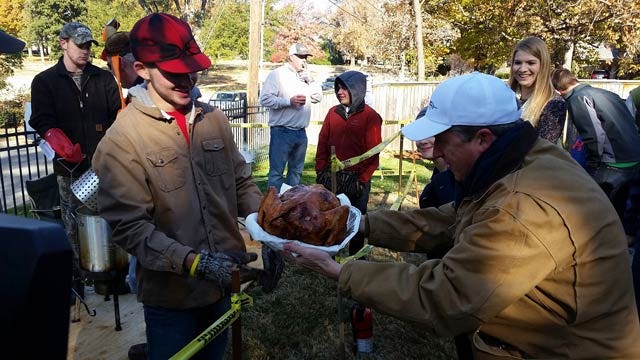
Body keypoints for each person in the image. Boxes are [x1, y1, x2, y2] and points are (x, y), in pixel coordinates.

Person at [284, 72, 640, 358]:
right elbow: (450, 219)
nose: (434, 152)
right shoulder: (520, 160)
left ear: (483, 139)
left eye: (442, 140)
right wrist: (358, 224)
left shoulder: (523, 207)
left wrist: (340, 271)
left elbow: (445, 297)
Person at [92, 13, 282, 360]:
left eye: (190, 69)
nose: (185, 79)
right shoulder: (122, 140)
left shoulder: (215, 120)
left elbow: (241, 182)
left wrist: (267, 230)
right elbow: (130, 227)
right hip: (172, 301)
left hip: (225, 285)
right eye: (172, 72)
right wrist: (195, 263)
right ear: (142, 70)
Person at [28, 22, 121, 301]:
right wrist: (55, 138)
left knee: (111, 220)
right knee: (72, 226)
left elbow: (118, 113)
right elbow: (41, 118)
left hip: (104, 165)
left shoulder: (102, 78)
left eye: (89, 45)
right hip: (69, 168)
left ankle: (110, 280)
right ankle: (74, 285)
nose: (85, 50)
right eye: (80, 44)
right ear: (63, 43)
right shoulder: (45, 81)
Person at [551, 68, 640, 220]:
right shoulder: (608, 94)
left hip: (613, 164)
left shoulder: (577, 98)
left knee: (593, 211)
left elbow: (594, 135)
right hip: (633, 159)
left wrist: (593, 167)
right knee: (618, 210)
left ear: (558, 91)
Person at [315, 70, 382, 254]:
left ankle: (356, 260)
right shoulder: (332, 113)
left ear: (357, 89)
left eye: (344, 88)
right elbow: (322, 142)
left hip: (357, 180)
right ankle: (329, 256)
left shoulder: (371, 117)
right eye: (338, 88)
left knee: (356, 221)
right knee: (330, 217)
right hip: (332, 176)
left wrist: (362, 180)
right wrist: (320, 170)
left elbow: (373, 154)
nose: (339, 92)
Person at [259, 43, 323, 191]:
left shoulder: (306, 77)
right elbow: (265, 99)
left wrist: (311, 81)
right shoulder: (278, 74)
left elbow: (318, 97)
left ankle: (291, 207)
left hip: (301, 132)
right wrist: (289, 101)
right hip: (281, 132)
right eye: (301, 57)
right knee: (276, 174)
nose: (304, 60)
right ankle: (272, 209)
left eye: (306, 57)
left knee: (296, 173)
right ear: (291, 57)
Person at [508, 36, 566, 143]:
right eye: (518, 63)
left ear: (543, 65)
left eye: (531, 63)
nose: (522, 69)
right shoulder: (507, 99)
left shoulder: (554, 104)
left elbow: (543, 151)